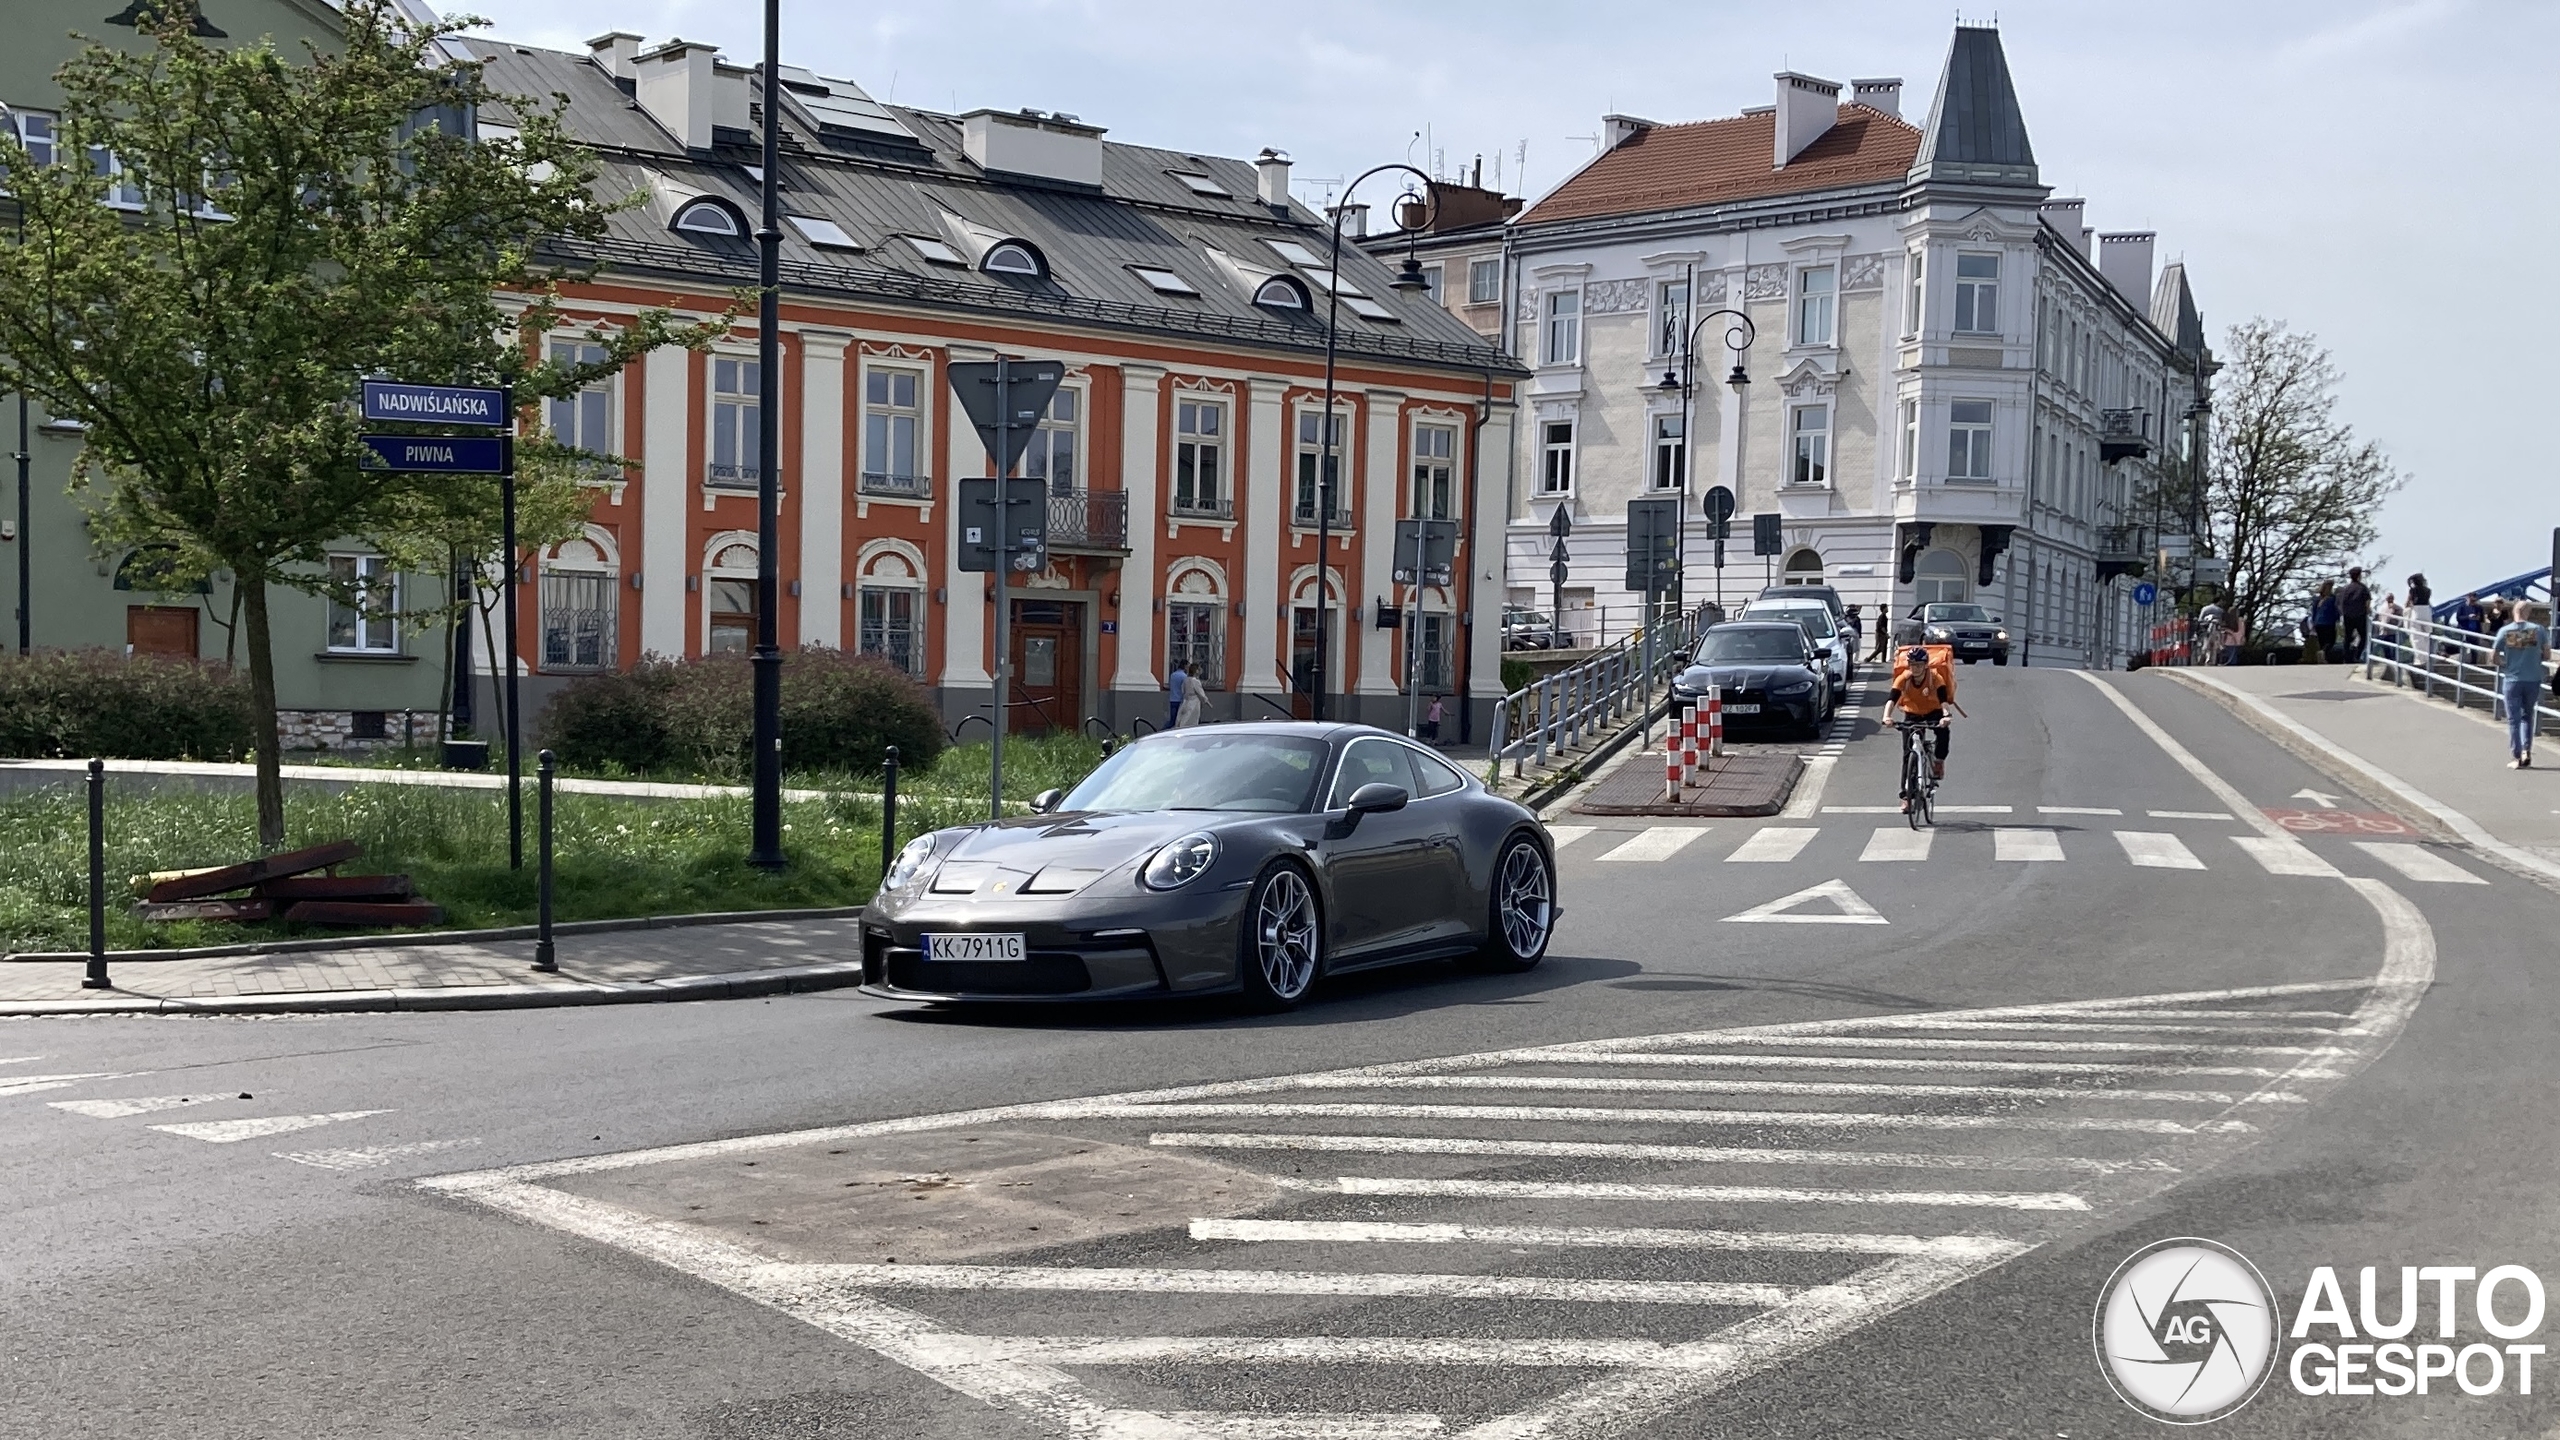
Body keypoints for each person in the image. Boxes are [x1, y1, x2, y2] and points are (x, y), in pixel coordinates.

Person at [1885, 646, 1968, 811]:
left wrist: (1945, 716)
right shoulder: (1904, 678)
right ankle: (1906, 797)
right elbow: (1892, 699)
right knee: (1908, 756)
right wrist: (1887, 717)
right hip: (1912, 714)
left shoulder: (1935, 678)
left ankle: (1938, 760)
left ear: (1925, 665)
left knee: (1943, 732)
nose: (1915, 668)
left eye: (1919, 664)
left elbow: (1943, 701)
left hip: (1933, 712)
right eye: (1912, 664)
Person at [2490, 602, 2552, 768]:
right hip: (2533, 678)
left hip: (2512, 679)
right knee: (2527, 716)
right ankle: (2526, 751)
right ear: (2528, 612)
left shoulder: (2505, 631)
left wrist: (2503, 664)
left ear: (2514, 611)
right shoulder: (2538, 630)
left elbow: (2493, 656)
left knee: (2513, 719)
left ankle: (2516, 756)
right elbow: (2547, 655)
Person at [2337, 567, 2371, 662]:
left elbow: (2340, 603)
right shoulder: (2363, 588)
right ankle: (2357, 655)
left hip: (2348, 616)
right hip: (2360, 615)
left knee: (2348, 637)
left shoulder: (2345, 589)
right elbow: (2367, 603)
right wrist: (2367, 612)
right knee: (2363, 637)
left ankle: (2347, 657)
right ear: (2359, 576)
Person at [2311, 580, 2341, 661]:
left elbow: (2313, 612)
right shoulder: (2332, 599)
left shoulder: (2317, 599)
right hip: (2329, 623)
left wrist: (2313, 623)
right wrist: (2338, 619)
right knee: (2331, 641)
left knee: (2322, 642)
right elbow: (2336, 610)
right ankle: (2324, 653)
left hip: (2318, 623)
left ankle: (2322, 655)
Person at [1165, 660, 1190, 731]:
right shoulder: (1184, 677)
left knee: (1172, 720)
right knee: (1179, 720)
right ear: (1185, 666)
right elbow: (1184, 689)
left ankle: (1162, 730)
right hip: (1180, 700)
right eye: (1188, 666)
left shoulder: (1173, 675)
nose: (1188, 668)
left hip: (1172, 699)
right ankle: (1161, 731)